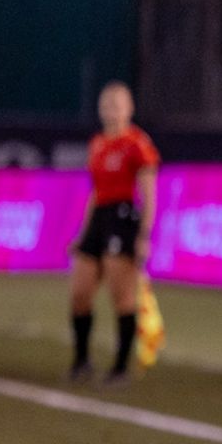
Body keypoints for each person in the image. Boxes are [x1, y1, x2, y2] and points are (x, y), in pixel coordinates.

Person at [70, 81, 159, 386]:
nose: (112, 109)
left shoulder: (137, 143)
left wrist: (144, 235)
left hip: (122, 219)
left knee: (121, 296)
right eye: (107, 103)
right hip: (99, 219)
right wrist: (84, 231)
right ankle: (81, 360)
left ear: (130, 108)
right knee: (80, 294)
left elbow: (148, 192)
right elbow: (96, 192)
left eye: (118, 103)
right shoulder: (97, 143)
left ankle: (120, 368)